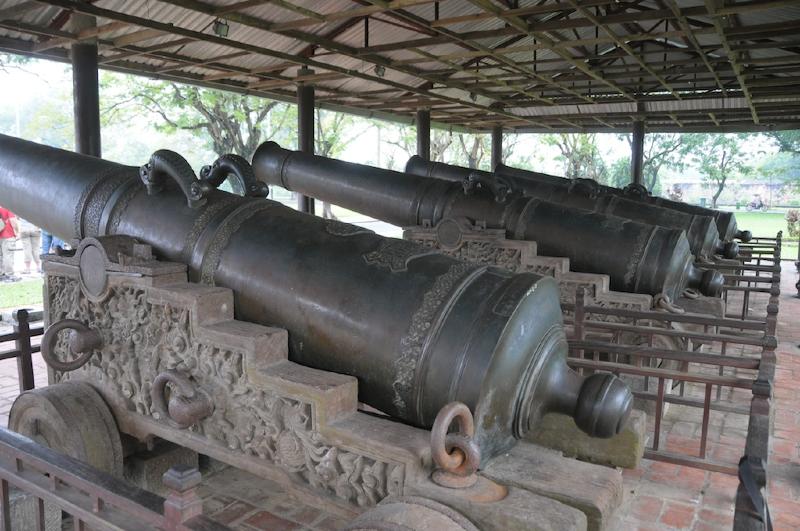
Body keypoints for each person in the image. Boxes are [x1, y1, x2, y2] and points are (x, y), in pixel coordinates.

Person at [0, 207, 20, 282]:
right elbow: (13, 221)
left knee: (1, 256)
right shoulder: (7, 207)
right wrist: (17, 232)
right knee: (8, 255)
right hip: (8, 235)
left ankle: (1, 274)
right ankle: (10, 275)